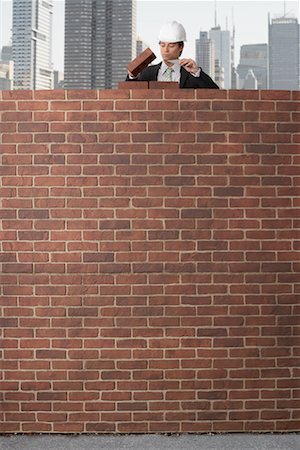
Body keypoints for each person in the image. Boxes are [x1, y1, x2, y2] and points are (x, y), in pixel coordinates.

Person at [126, 21, 219, 89]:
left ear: (181, 47)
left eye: (171, 45)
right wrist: (132, 76)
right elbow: (127, 95)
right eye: (162, 45)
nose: (165, 50)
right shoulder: (147, 73)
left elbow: (215, 93)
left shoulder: (191, 75)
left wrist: (197, 72)